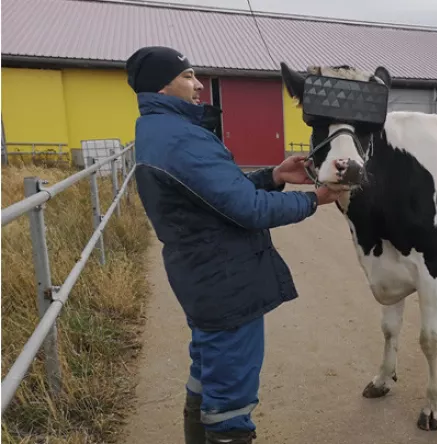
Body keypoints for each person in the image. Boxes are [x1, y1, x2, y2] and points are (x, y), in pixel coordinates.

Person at [125, 46, 341, 444]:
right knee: (231, 401)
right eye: (188, 75)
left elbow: (217, 195)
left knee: (208, 373)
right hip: (224, 281)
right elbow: (248, 209)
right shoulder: (181, 139)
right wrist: (314, 199)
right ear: (162, 84)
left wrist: (273, 176)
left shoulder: (160, 131)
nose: (198, 84)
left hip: (202, 274)